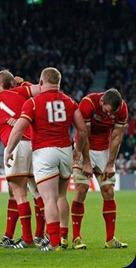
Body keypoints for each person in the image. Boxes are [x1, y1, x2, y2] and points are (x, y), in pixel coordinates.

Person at [5, 67, 87, 251]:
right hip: (65, 150)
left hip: (44, 151)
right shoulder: (70, 101)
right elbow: (82, 130)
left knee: (48, 198)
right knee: (61, 196)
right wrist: (77, 152)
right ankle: (63, 236)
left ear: (41, 82)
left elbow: (18, 129)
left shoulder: (33, 103)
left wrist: (9, 150)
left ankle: (54, 242)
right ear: (59, 82)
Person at [0, 71, 45, 249]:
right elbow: (40, 89)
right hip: (35, 145)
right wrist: (24, 83)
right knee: (38, 192)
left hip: (16, 146)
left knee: (18, 193)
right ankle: (41, 236)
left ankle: (28, 239)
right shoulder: (19, 92)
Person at [71, 88, 128, 249]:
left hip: (104, 151)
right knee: (81, 189)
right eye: (107, 112)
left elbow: (116, 137)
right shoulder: (88, 104)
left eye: (112, 113)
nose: (109, 116)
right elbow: (84, 134)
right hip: (83, 148)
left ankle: (110, 240)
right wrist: (87, 162)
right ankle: (76, 237)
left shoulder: (122, 108)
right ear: (102, 101)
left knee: (108, 190)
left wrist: (110, 163)